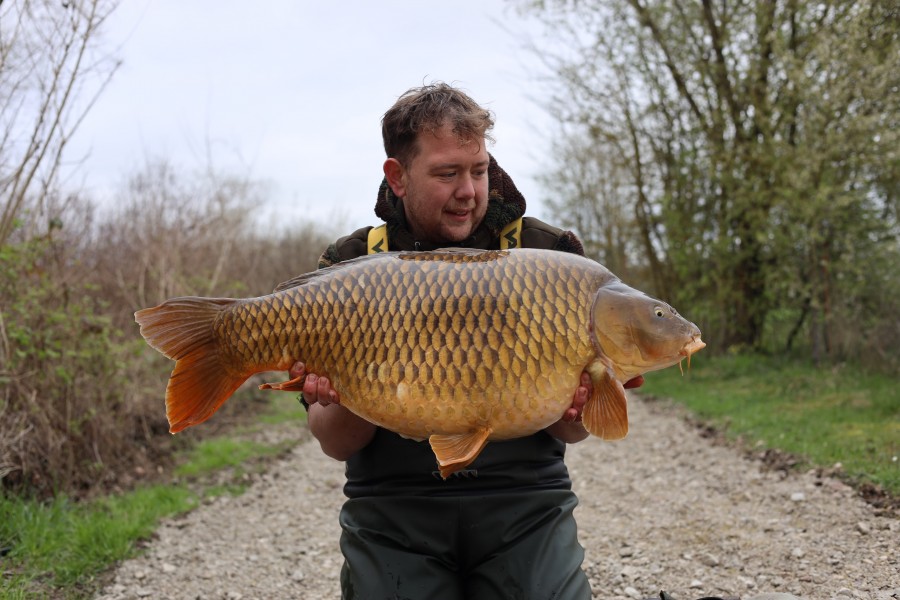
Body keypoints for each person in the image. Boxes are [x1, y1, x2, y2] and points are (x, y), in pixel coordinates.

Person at [289, 82, 643, 600]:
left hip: (525, 505)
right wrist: (349, 385)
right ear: (398, 176)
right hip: (393, 508)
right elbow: (336, 442)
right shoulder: (349, 265)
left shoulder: (551, 255)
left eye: (478, 170)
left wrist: (577, 410)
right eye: (447, 174)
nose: (470, 192)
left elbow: (573, 436)